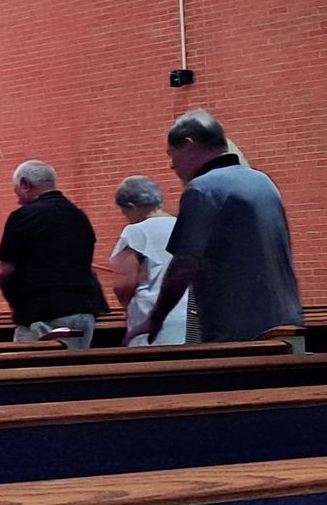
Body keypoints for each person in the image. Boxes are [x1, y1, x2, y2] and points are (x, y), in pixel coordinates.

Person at [128, 110, 303, 345]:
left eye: (172, 154)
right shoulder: (263, 181)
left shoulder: (202, 189)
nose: (172, 166)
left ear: (189, 145)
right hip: (285, 319)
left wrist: (156, 318)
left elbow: (184, 264)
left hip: (239, 328)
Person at [0, 161, 107, 349]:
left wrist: (15, 304)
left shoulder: (24, 216)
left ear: (25, 184)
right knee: (75, 373)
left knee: (31, 374)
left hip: (41, 313)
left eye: (17, 193)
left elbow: (3, 272)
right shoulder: (79, 216)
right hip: (83, 310)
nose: (18, 200)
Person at [108, 176, 187, 346]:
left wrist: (127, 306)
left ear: (131, 207)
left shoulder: (136, 232)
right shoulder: (184, 225)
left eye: (124, 212)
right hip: (188, 315)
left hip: (150, 316)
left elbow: (124, 284)